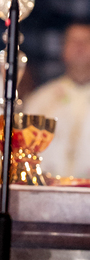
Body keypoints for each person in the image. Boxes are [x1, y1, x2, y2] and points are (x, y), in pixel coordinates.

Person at [25, 22, 90, 179]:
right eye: (73, 42)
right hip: (50, 188)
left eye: (86, 41)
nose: (80, 47)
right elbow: (26, 148)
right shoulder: (41, 99)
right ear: (63, 49)